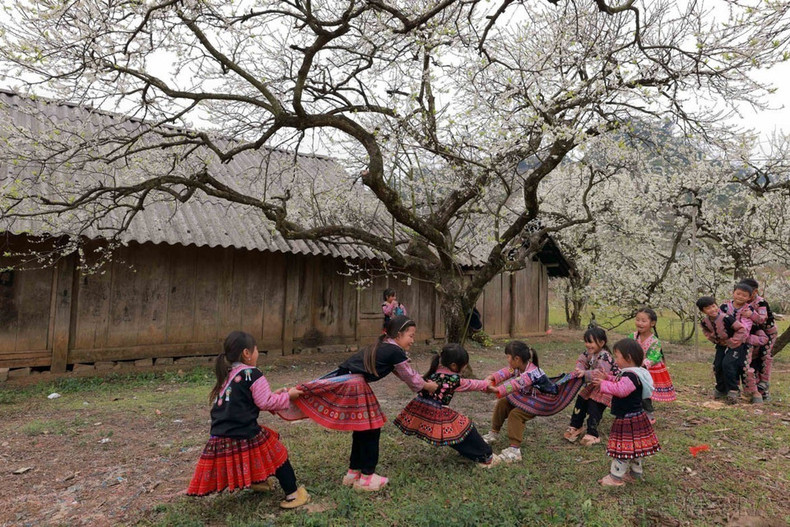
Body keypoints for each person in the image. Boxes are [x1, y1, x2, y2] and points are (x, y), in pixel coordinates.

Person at [277, 315, 438, 491]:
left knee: (363, 428)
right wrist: (429, 386)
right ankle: (367, 478)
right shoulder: (395, 351)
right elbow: (411, 380)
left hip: (349, 381)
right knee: (372, 428)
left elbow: (403, 374)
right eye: (411, 335)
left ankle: (353, 473)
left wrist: (421, 381)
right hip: (355, 385)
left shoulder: (383, 346)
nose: (413, 340)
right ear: (399, 335)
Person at [187, 331, 310, 509]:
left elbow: (249, 400)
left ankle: (258, 481)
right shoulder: (252, 373)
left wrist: (271, 396)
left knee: (248, 454)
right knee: (278, 455)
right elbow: (264, 401)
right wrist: (288, 396)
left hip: (221, 432)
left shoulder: (228, 375)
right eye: (257, 350)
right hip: (244, 430)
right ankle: (293, 495)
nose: (257, 353)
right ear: (247, 353)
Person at [394, 343, 501, 467]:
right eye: (464, 367)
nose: (464, 369)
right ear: (454, 365)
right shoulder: (451, 379)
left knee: (454, 433)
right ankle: (486, 457)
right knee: (467, 429)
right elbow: (469, 384)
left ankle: (471, 453)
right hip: (436, 412)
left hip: (422, 409)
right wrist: (485, 383)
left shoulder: (436, 371)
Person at [591, 338, 660, 487]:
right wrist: (607, 378)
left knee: (622, 449)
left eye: (617, 356)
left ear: (628, 358)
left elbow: (621, 389)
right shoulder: (635, 373)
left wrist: (603, 384)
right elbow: (619, 381)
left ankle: (615, 477)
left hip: (628, 418)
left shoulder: (631, 376)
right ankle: (636, 473)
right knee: (635, 448)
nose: (615, 360)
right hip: (636, 416)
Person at [481, 341, 558, 463]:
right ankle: (493, 433)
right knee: (503, 403)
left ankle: (515, 450)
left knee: (516, 414)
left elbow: (515, 384)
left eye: (508, 357)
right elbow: (505, 372)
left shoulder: (530, 373)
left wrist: (496, 389)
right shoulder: (518, 367)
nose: (507, 360)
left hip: (541, 401)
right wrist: (492, 378)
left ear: (516, 359)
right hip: (527, 397)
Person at [564, 327, 619, 446]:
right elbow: (581, 361)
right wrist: (580, 369)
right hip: (595, 384)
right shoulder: (589, 353)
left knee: (595, 406)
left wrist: (585, 374)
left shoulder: (605, 356)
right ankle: (576, 426)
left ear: (602, 343)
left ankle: (593, 433)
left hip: (608, 385)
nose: (588, 345)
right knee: (581, 400)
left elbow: (600, 372)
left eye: (591, 342)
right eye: (586, 341)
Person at [697, 296, 750, 403]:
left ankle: (733, 389)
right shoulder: (705, 322)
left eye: (713, 306)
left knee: (728, 364)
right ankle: (721, 389)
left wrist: (732, 341)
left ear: (717, 305)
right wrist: (715, 340)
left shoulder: (726, 318)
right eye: (708, 308)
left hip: (735, 345)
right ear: (703, 311)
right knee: (717, 365)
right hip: (721, 345)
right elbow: (706, 332)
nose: (712, 309)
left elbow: (741, 329)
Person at [720, 283, 767, 402]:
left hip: (744, 343)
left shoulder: (748, 309)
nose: (740, 297)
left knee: (745, 367)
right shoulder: (725, 307)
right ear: (733, 293)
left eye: (744, 295)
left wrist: (737, 339)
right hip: (727, 341)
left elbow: (748, 326)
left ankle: (754, 392)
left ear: (750, 297)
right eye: (738, 293)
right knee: (726, 365)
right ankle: (730, 390)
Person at [628, 308, 675, 424]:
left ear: (652, 323)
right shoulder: (632, 336)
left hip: (648, 370)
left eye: (643, 321)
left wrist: (643, 364)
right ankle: (633, 411)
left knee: (644, 391)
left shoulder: (654, 341)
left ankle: (648, 413)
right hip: (634, 368)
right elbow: (627, 349)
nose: (639, 323)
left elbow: (654, 357)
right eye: (638, 320)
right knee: (631, 390)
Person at [740, 278, 777, 401]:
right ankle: (755, 389)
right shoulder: (743, 302)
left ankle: (764, 384)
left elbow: (762, 319)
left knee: (764, 356)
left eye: (747, 294)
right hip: (754, 334)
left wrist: (751, 315)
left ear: (755, 291)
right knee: (752, 360)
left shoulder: (761, 303)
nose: (744, 296)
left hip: (768, 333)